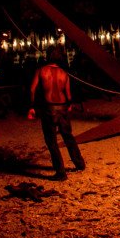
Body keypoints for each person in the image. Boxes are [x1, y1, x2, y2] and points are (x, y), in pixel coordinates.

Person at [30, 45, 85, 181]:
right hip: (62, 107)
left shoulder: (41, 71)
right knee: (68, 136)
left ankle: (61, 172)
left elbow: (32, 90)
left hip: (49, 108)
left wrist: (32, 106)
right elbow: (68, 94)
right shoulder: (64, 73)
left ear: (48, 56)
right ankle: (79, 164)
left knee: (51, 140)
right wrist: (69, 105)